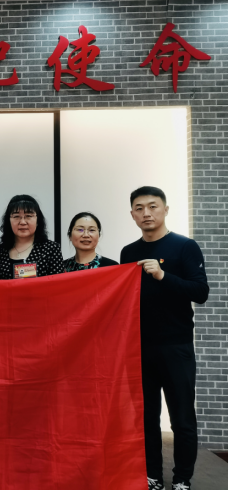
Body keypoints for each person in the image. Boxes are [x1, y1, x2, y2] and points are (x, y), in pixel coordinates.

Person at [120, 186, 209, 491]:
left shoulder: (185, 246)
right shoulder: (128, 252)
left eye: (153, 206)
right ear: (132, 215)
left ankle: (182, 478)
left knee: (182, 418)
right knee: (146, 419)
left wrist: (162, 275)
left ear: (166, 209)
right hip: (140, 348)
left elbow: (201, 292)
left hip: (176, 346)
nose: (146, 213)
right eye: (139, 208)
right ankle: (153, 476)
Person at [0, 194, 64, 280]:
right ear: (9, 221)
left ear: (38, 220)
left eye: (28, 216)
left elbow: (58, 284)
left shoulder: (51, 249)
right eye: (16, 216)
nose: (22, 222)